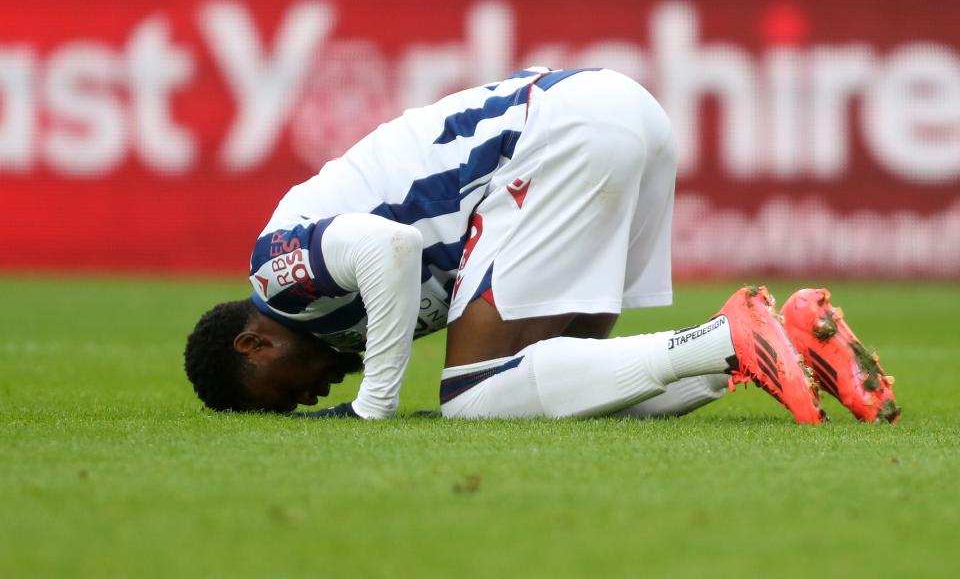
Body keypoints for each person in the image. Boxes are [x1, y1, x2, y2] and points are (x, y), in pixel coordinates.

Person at [184, 68, 899, 424]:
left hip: (552, 137)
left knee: (470, 398)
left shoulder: (276, 273)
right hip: (620, 115)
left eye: (284, 398)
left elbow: (390, 252)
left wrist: (375, 403)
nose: (309, 400)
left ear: (255, 347)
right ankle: (790, 343)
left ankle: (730, 340)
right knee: (576, 392)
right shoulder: (330, 318)